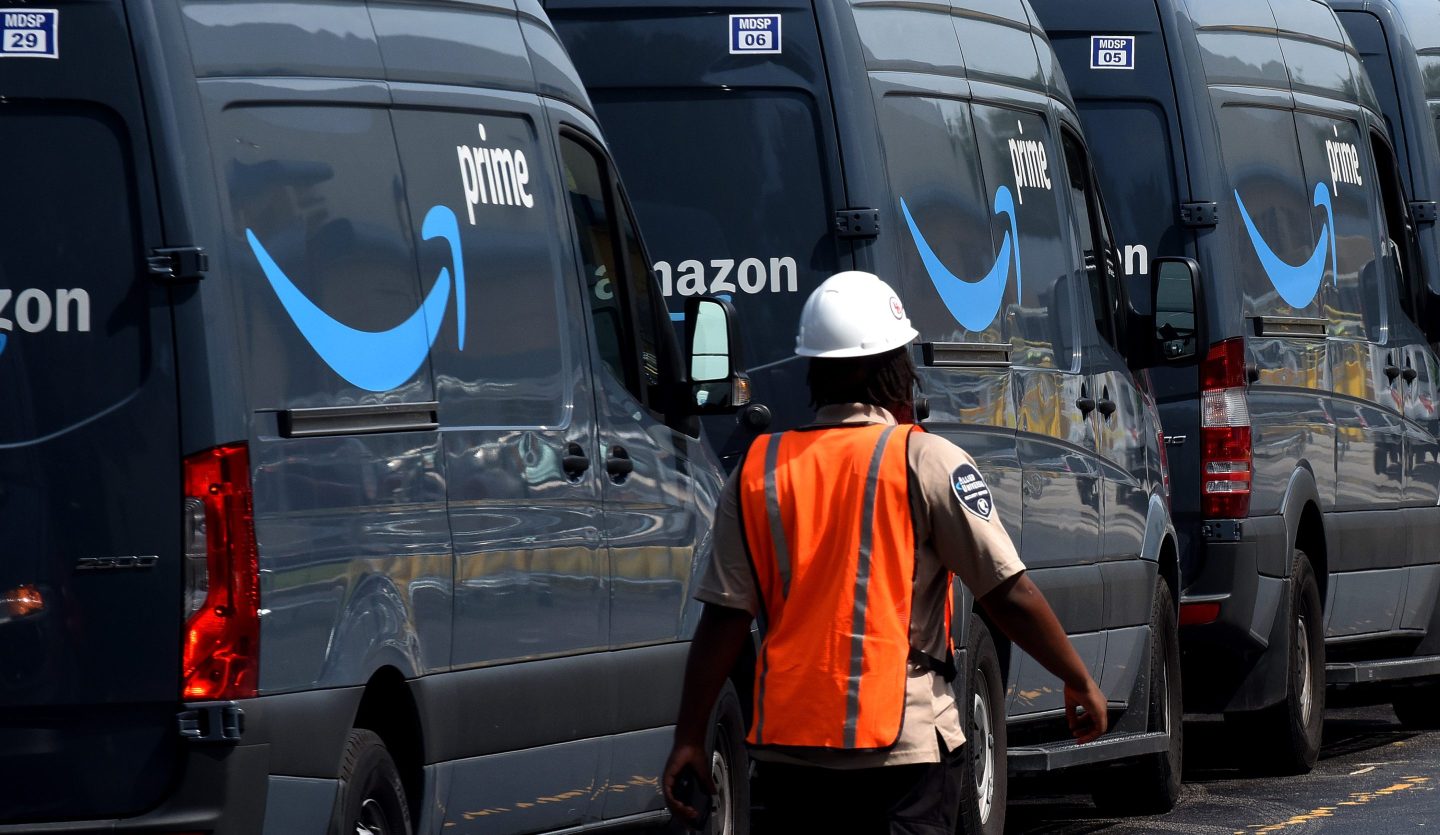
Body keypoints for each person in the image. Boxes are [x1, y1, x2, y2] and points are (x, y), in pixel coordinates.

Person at [663, 271, 1109, 833]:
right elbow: (1006, 592)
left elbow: (724, 617)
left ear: (814, 370)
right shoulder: (925, 461)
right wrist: (1077, 677)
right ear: (892, 367)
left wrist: (688, 736)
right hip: (904, 750)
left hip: (791, 752)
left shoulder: (758, 469)